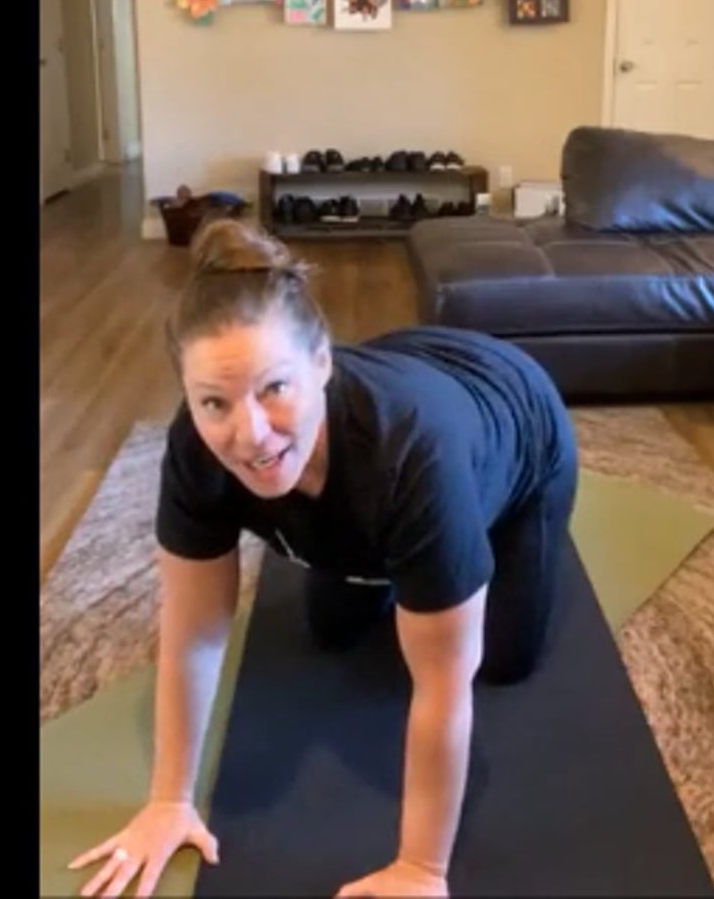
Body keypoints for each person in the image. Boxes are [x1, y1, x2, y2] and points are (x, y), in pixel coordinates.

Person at [69, 220, 579, 899]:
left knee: (504, 660)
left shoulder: (414, 455)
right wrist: (169, 800)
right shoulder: (196, 448)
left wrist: (420, 870)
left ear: (321, 361)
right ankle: (403, 550)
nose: (249, 434)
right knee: (333, 630)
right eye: (214, 401)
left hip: (515, 422)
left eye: (274, 388)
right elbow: (194, 633)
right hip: (403, 383)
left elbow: (442, 687)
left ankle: (451, 545)